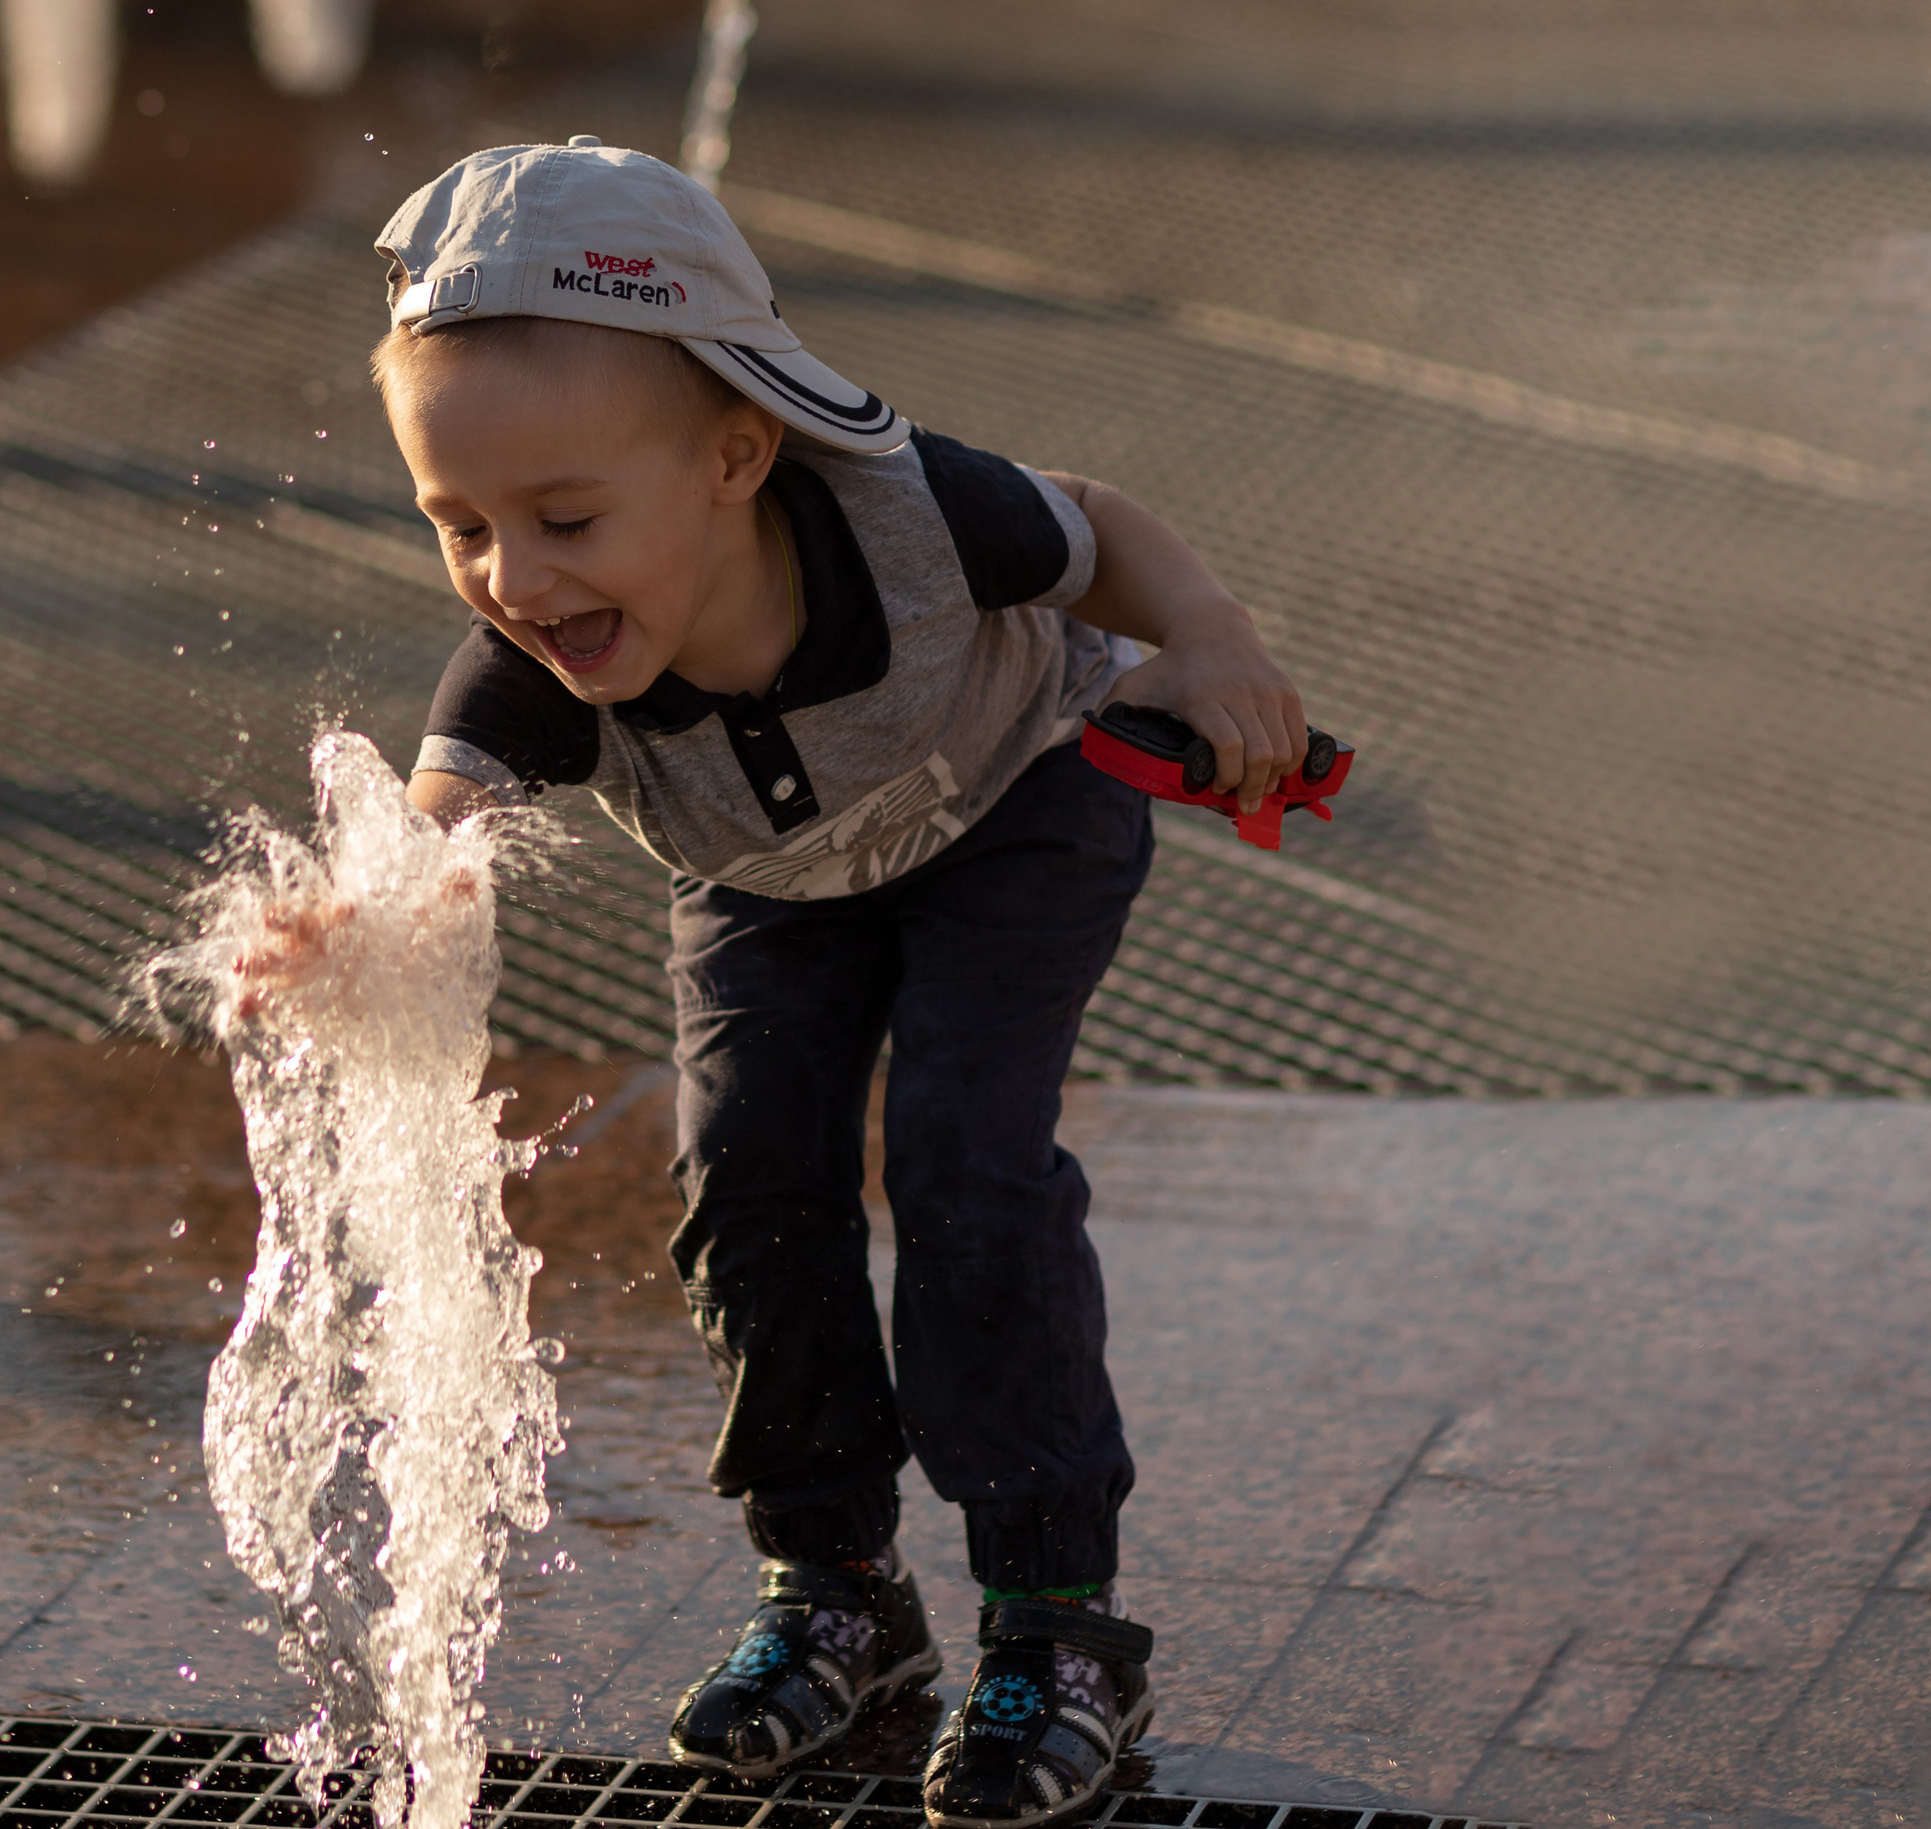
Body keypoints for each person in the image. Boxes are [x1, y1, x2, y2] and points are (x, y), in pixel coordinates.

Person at [369, 139, 1307, 1827]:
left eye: (565, 517)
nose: (518, 579)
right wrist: (373, 924)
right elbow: (437, 832)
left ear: (741, 451)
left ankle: (1058, 1618)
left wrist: (1218, 638)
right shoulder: (536, 652)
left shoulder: (919, 513)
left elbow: (1095, 530)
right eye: (463, 526)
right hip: (767, 883)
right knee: (748, 1180)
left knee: (964, 1158)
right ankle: (835, 1589)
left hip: (1018, 798)